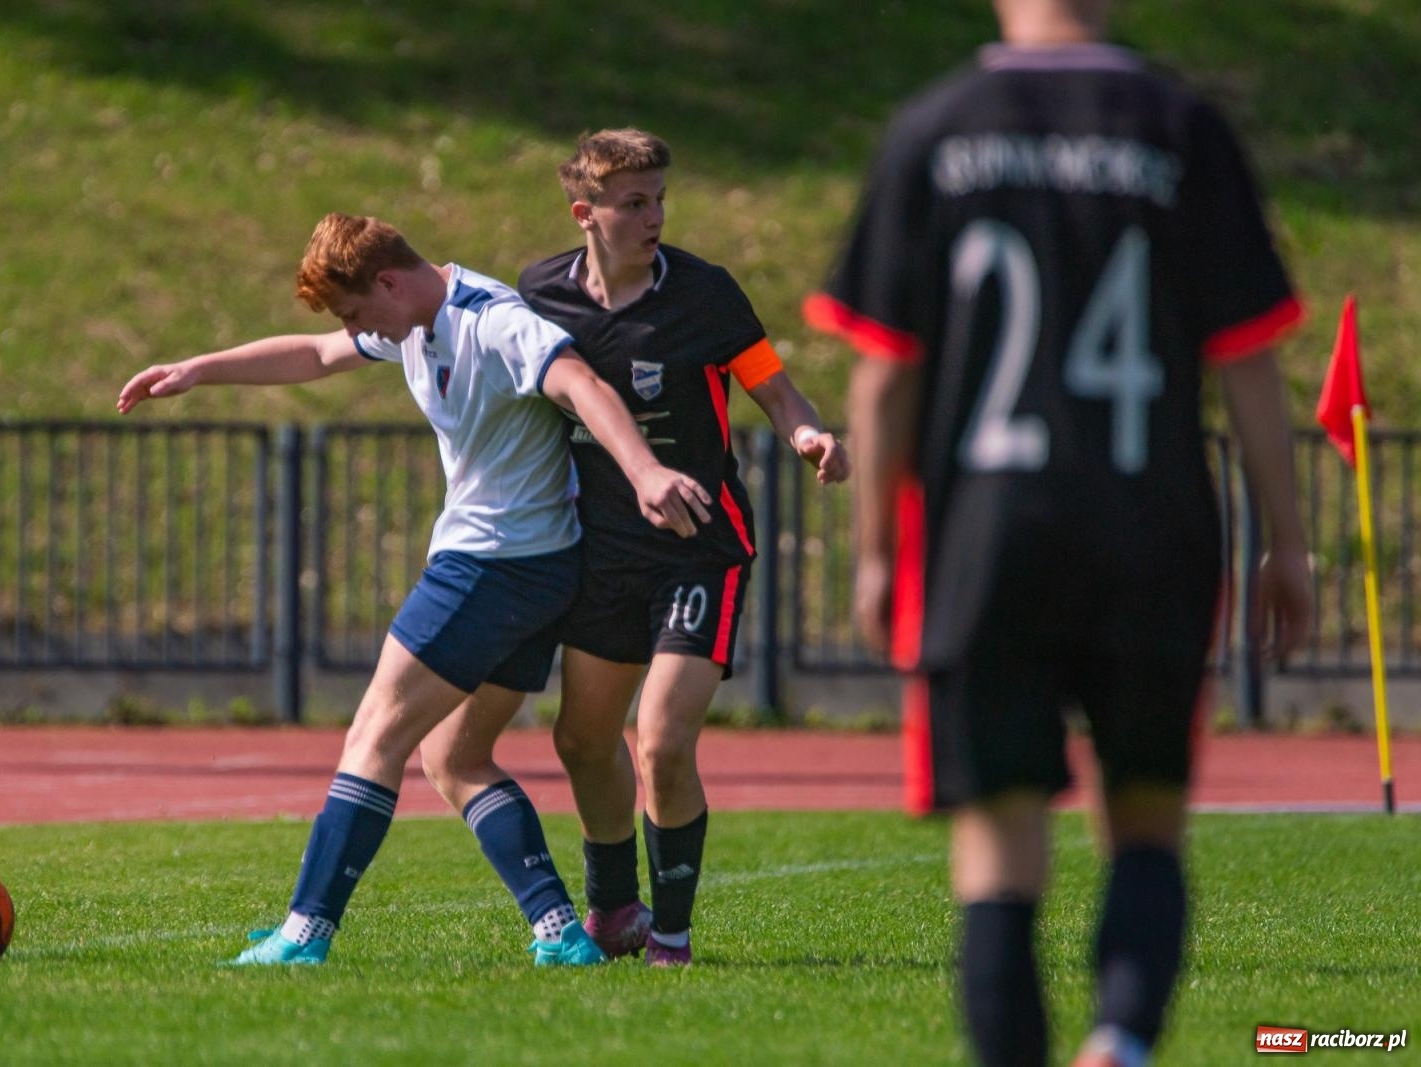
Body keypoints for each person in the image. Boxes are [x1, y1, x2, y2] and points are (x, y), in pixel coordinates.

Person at [807, 1, 1312, 1063]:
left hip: (983, 537)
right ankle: (1119, 1040)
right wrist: (1286, 540)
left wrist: (873, 552)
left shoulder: (933, 131)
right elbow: (1248, 360)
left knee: (996, 846)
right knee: (1144, 817)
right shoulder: (1180, 127)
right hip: (1152, 529)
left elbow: (884, 371)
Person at [117, 212, 715, 967]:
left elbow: (581, 382)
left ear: (390, 282)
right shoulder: (416, 318)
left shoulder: (488, 320)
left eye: (357, 310)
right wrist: (200, 368)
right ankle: (561, 931)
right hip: (532, 565)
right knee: (455, 754)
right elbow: (313, 354)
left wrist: (645, 472)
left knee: (375, 734)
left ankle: (304, 933)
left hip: (491, 565)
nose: (355, 327)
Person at [418, 128, 850, 967]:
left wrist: (809, 435)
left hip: (700, 547)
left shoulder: (705, 294)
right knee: (583, 739)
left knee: (659, 739)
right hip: (601, 551)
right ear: (587, 213)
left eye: (660, 199)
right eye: (634, 203)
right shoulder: (540, 292)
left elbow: (774, 384)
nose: (655, 216)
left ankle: (672, 938)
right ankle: (615, 909)